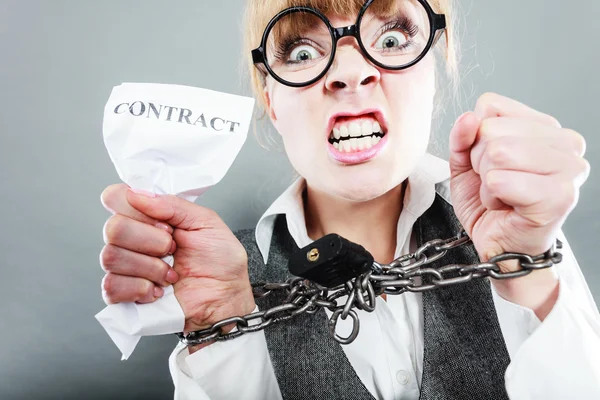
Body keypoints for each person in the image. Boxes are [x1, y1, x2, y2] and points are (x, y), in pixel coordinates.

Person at [99, 0, 600, 399]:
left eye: (391, 38)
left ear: (436, 68)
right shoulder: (222, 281)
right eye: (302, 52)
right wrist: (221, 336)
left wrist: (529, 271)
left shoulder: (514, 232)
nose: (351, 73)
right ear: (271, 100)